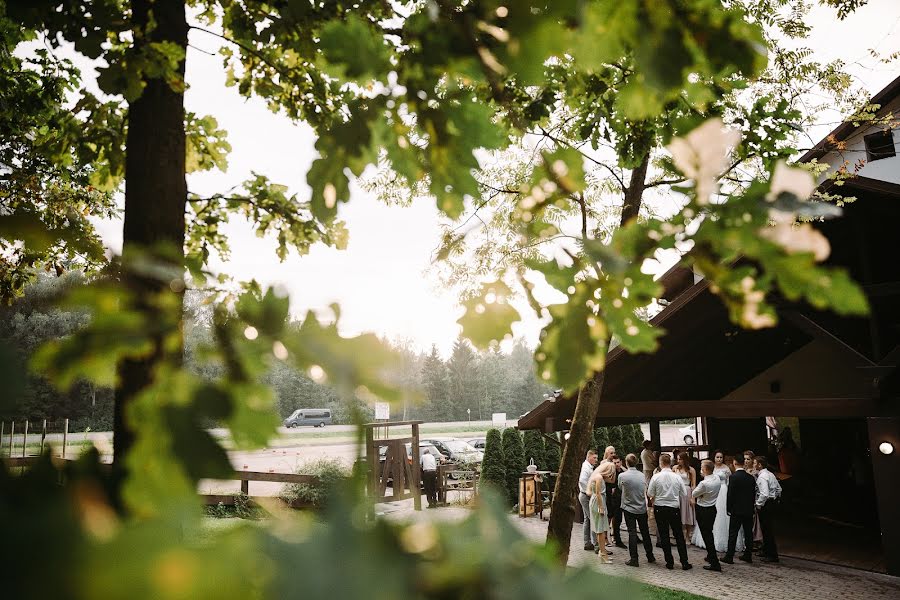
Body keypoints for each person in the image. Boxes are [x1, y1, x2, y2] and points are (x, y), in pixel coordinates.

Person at [647, 453, 693, 570]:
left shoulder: (656, 477)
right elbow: (683, 493)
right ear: (670, 463)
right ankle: (684, 561)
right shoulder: (677, 477)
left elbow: (650, 493)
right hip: (673, 508)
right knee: (678, 535)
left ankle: (669, 562)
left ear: (660, 463)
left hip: (660, 507)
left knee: (664, 535)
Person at [693, 451, 744, 553]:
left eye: (721, 457)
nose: (719, 459)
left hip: (723, 491)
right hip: (713, 491)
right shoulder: (710, 467)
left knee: (723, 514)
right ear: (714, 458)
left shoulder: (726, 468)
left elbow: (729, 481)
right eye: (717, 457)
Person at [619, 453, 657, 567]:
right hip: (641, 507)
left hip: (628, 507)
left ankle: (634, 558)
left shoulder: (622, 476)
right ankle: (650, 555)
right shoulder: (642, 475)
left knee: (632, 532)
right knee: (645, 532)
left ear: (626, 463)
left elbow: (620, 488)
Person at [722, 453, 756, 564]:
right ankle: (748, 555)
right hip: (748, 509)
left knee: (733, 533)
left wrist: (728, 508)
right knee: (748, 533)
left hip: (736, 509)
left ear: (735, 463)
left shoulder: (733, 477)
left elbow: (730, 494)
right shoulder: (751, 478)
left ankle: (729, 556)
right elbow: (753, 494)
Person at [692, 460, 722, 571]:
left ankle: (715, 562)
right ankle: (710, 556)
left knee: (707, 536)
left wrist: (701, 496)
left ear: (705, 469)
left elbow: (694, 493)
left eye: (701, 467)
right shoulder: (717, 479)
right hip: (712, 509)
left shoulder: (704, 484)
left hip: (703, 510)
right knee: (709, 532)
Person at [588, 460, 617, 564]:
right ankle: (603, 554)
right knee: (600, 530)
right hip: (598, 503)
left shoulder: (599, 476)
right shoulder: (599, 478)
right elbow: (598, 493)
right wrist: (601, 507)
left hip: (598, 502)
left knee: (600, 529)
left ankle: (602, 552)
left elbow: (612, 481)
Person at [755, 456, 782, 563]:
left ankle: (772, 555)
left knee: (767, 530)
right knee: (767, 529)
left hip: (765, 505)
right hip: (771, 503)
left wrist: (758, 504)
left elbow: (764, 494)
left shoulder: (762, 477)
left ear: (759, 465)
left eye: (755, 463)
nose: (753, 465)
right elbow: (779, 489)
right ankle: (766, 551)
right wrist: (774, 497)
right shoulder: (770, 474)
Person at [578, 449, 599, 551]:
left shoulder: (588, 466)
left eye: (596, 458)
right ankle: (596, 544)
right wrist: (589, 492)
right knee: (593, 519)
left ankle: (587, 543)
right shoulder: (586, 467)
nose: (596, 460)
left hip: (584, 495)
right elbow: (582, 480)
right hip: (585, 496)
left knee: (587, 519)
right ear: (589, 457)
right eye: (594, 458)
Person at [674, 451, 697, 543]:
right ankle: (680, 536)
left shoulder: (691, 470)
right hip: (677, 492)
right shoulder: (675, 468)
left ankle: (687, 536)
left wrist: (693, 497)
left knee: (688, 514)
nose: (678, 461)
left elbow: (693, 485)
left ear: (684, 460)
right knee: (678, 515)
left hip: (687, 491)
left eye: (680, 459)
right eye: (677, 459)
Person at [744, 450, 764, 548]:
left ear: (752, 460)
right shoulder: (744, 470)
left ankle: (757, 540)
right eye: (745, 459)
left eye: (748, 459)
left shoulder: (757, 472)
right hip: (746, 497)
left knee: (756, 519)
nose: (746, 461)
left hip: (754, 496)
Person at [607, 455, 626, 548]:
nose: (616, 464)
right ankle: (609, 538)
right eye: (614, 463)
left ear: (621, 462)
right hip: (611, 499)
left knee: (618, 519)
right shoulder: (610, 472)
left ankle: (616, 537)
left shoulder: (623, 472)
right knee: (610, 517)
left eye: (618, 462)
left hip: (620, 499)